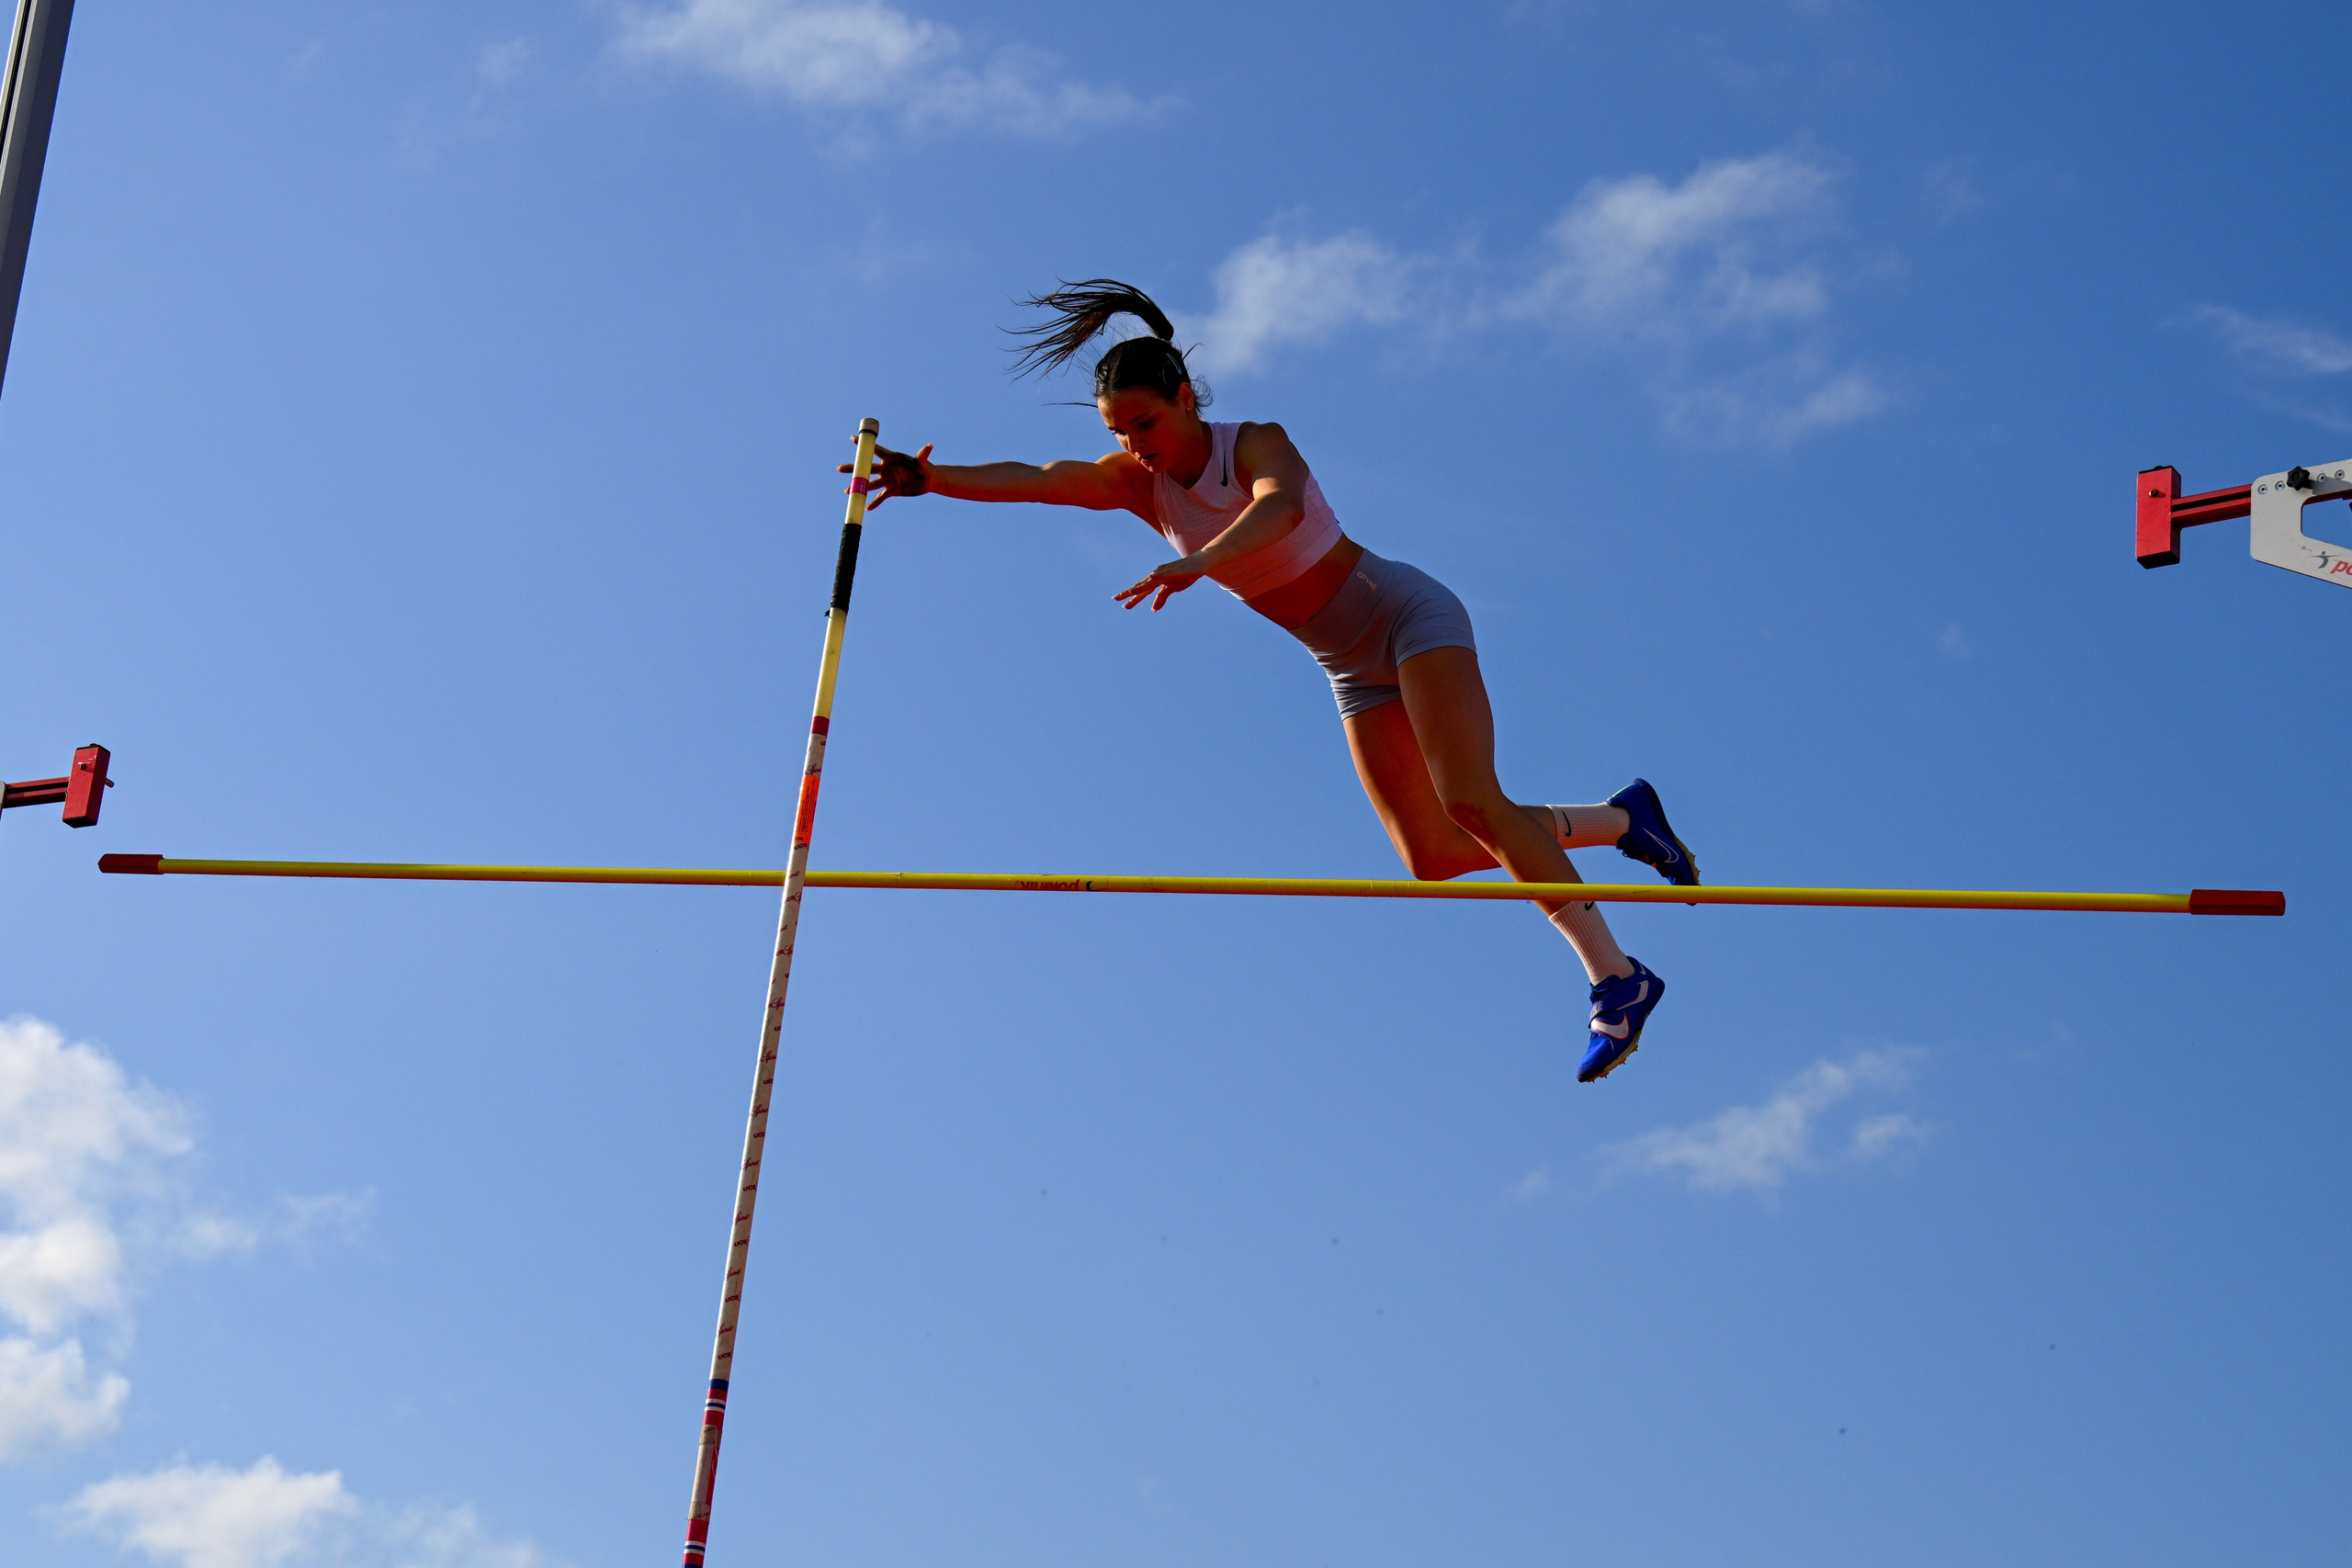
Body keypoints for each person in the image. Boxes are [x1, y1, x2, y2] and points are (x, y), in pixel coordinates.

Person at [843, 280, 1698, 1081]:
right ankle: (1626, 817)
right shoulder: (1141, 485)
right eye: (1117, 432)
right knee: (1434, 856)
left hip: (1405, 617)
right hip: (1348, 666)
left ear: (1185, 395)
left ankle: (1616, 978)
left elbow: (1279, 509)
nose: (1132, 444)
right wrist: (935, 479)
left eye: (1142, 422)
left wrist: (1201, 563)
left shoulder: (1251, 442)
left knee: (1473, 800)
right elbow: (1040, 481)